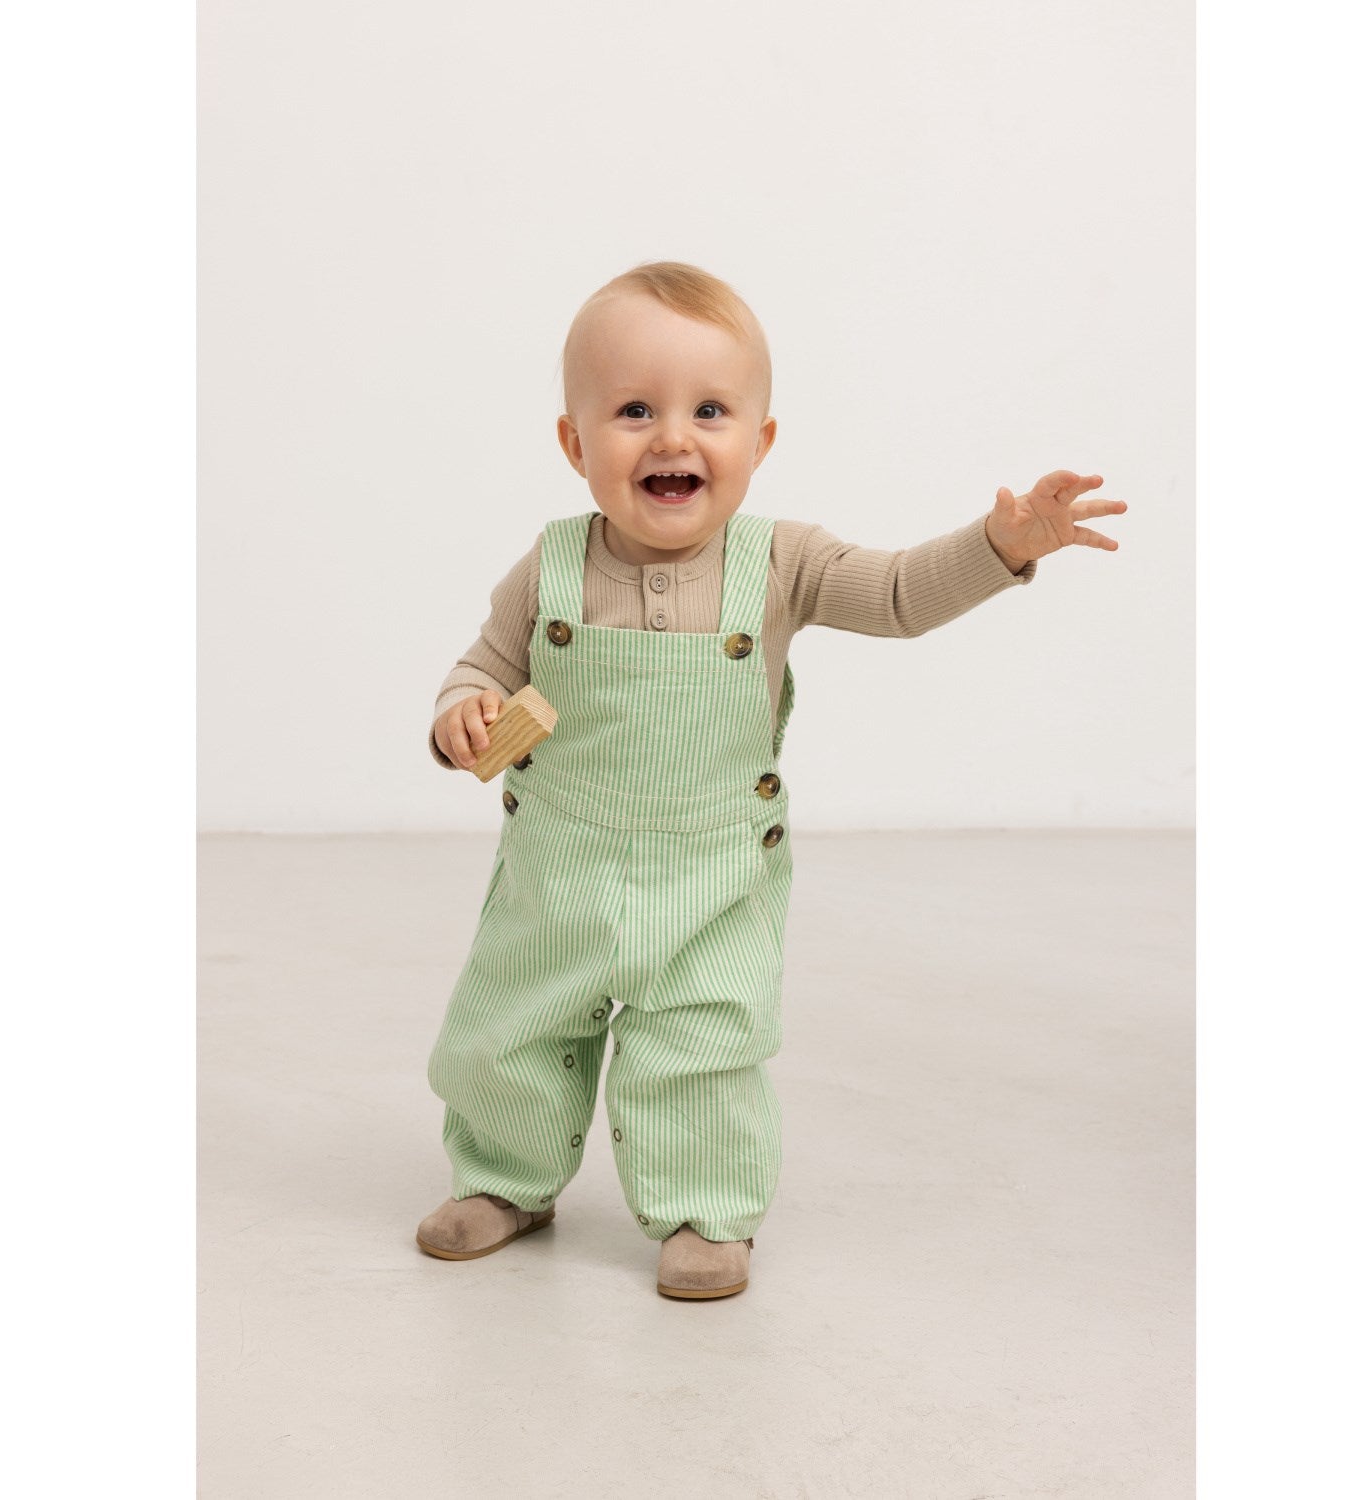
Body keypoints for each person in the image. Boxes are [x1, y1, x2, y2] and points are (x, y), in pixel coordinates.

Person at [417, 260, 1126, 1299]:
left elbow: (897, 594)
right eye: (633, 411)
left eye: (710, 411)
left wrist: (997, 547)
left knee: (702, 1042)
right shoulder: (550, 567)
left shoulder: (781, 563)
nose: (672, 437)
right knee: (510, 1029)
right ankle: (501, 1178)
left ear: (760, 441)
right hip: (558, 870)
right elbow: (483, 666)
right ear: (575, 444)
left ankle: (706, 1211)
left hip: (712, 879)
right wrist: (461, 716)